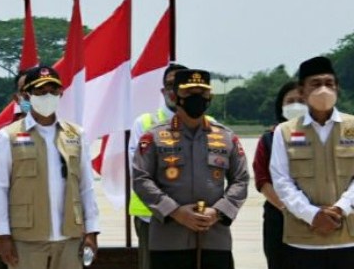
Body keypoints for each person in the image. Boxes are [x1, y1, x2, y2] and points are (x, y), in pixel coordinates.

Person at [133, 69, 248, 269]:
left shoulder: (226, 137)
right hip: (168, 239)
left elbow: (241, 179)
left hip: (215, 237)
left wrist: (218, 212)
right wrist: (175, 211)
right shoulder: (153, 137)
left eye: (202, 93)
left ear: (210, 97)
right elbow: (140, 179)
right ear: (174, 96)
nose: (196, 98)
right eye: (189, 92)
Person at [0, 65, 100, 269]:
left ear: (61, 93)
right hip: (27, 237)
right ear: (27, 95)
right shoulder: (7, 136)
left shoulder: (76, 134)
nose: (47, 97)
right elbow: (0, 188)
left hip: (70, 236)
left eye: (53, 91)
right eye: (41, 92)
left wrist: (92, 231)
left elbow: (86, 186)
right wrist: (3, 234)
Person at [270, 56, 354, 268]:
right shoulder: (285, 131)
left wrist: (340, 209)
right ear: (302, 91)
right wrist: (312, 215)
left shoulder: (352, 126)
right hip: (302, 240)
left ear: (337, 87)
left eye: (329, 83)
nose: (323, 89)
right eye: (316, 84)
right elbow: (282, 182)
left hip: (348, 237)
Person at [127, 63, 186, 269]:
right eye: (170, 85)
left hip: (194, 216)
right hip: (152, 217)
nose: (175, 90)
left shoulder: (210, 125)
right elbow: (140, 173)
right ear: (163, 91)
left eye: (180, 85)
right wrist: (173, 209)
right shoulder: (144, 124)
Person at [252, 81, 305, 269]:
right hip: (280, 217)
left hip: (318, 217)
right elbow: (263, 180)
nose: (296, 106)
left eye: (301, 101)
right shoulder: (269, 139)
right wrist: (289, 210)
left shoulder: (324, 136)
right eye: (290, 101)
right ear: (280, 106)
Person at [0, 68, 30, 255]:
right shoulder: (3, 135)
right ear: (17, 97)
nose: (32, 96)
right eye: (26, 92)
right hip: (16, 226)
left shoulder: (68, 134)